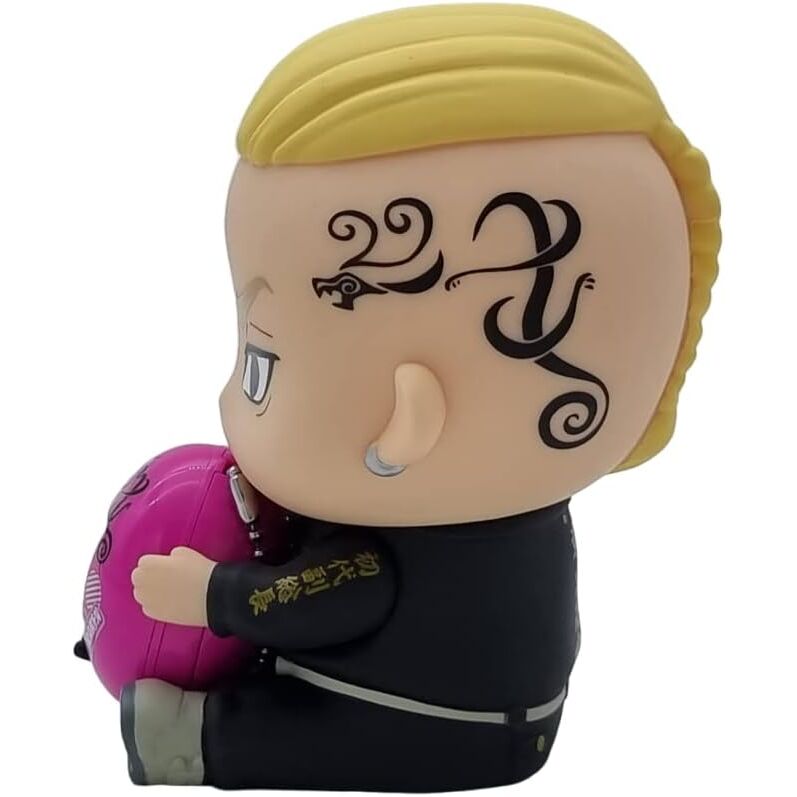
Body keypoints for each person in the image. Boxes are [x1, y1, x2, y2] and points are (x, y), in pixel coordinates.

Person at [124, 4, 720, 789]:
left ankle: (184, 742)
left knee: (281, 735)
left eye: (262, 366)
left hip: (422, 721)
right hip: (495, 710)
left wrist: (213, 595)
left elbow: (332, 595)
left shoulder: (399, 551)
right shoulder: (500, 520)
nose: (233, 399)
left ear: (405, 426)